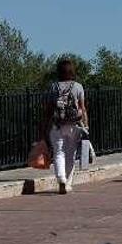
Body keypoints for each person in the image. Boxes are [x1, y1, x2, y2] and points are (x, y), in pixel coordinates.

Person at [39, 59, 88, 194]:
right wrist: (86, 126)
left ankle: (61, 178)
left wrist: (44, 127)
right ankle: (68, 182)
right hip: (75, 125)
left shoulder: (54, 87)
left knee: (59, 152)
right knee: (71, 154)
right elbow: (82, 108)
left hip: (57, 125)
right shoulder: (78, 87)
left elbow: (48, 109)